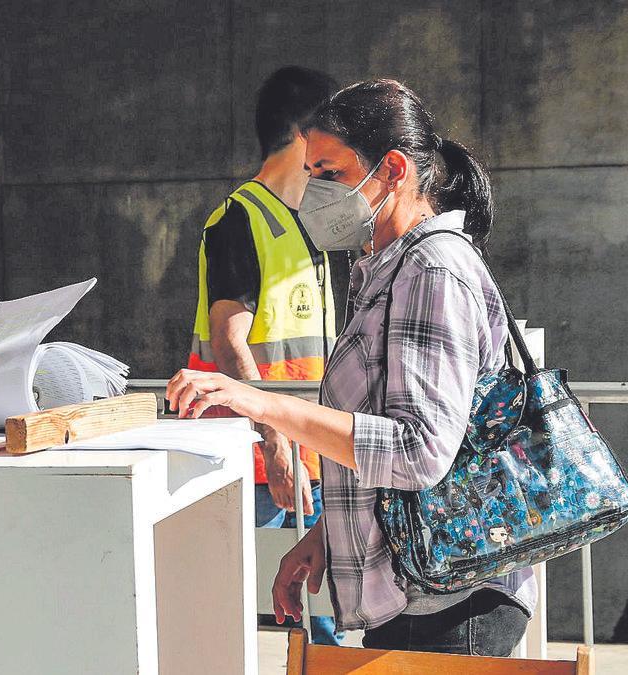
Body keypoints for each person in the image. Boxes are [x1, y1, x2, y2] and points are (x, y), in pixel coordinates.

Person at [167, 79, 536, 656]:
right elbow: (390, 430)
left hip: (447, 600)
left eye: (330, 173)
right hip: (416, 585)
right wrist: (327, 536)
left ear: (391, 169)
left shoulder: (430, 270)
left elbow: (418, 451)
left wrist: (264, 405)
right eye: (311, 170)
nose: (314, 189)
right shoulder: (389, 268)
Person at [187, 66, 341, 645]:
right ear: (306, 134)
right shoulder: (240, 220)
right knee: (224, 616)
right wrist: (275, 444)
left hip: (306, 455)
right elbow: (229, 340)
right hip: (254, 463)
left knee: (322, 621)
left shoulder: (306, 229)